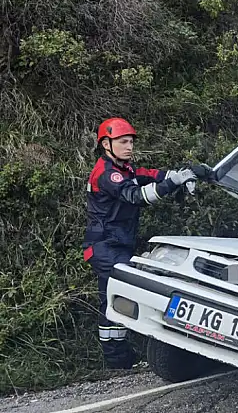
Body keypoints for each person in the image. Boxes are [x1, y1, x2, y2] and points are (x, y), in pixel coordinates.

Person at [82, 118, 198, 369]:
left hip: (116, 244)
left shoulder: (127, 169)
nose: (129, 146)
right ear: (106, 144)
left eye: (131, 142)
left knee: (116, 297)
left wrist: (181, 174)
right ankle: (118, 359)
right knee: (116, 297)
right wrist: (170, 184)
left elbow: (150, 175)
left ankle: (121, 357)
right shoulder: (107, 174)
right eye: (123, 142)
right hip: (104, 246)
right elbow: (137, 196)